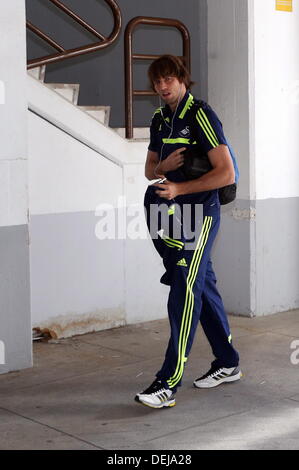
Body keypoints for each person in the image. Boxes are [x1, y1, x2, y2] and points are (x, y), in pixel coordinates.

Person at [135, 55, 241, 409]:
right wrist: (161, 168)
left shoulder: (200, 114)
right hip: (169, 208)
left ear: (181, 78)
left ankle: (167, 383)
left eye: (168, 80)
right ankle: (227, 362)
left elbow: (226, 173)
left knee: (185, 286)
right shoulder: (159, 118)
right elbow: (150, 169)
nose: (162, 87)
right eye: (157, 82)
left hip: (200, 211)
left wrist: (182, 189)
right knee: (200, 280)